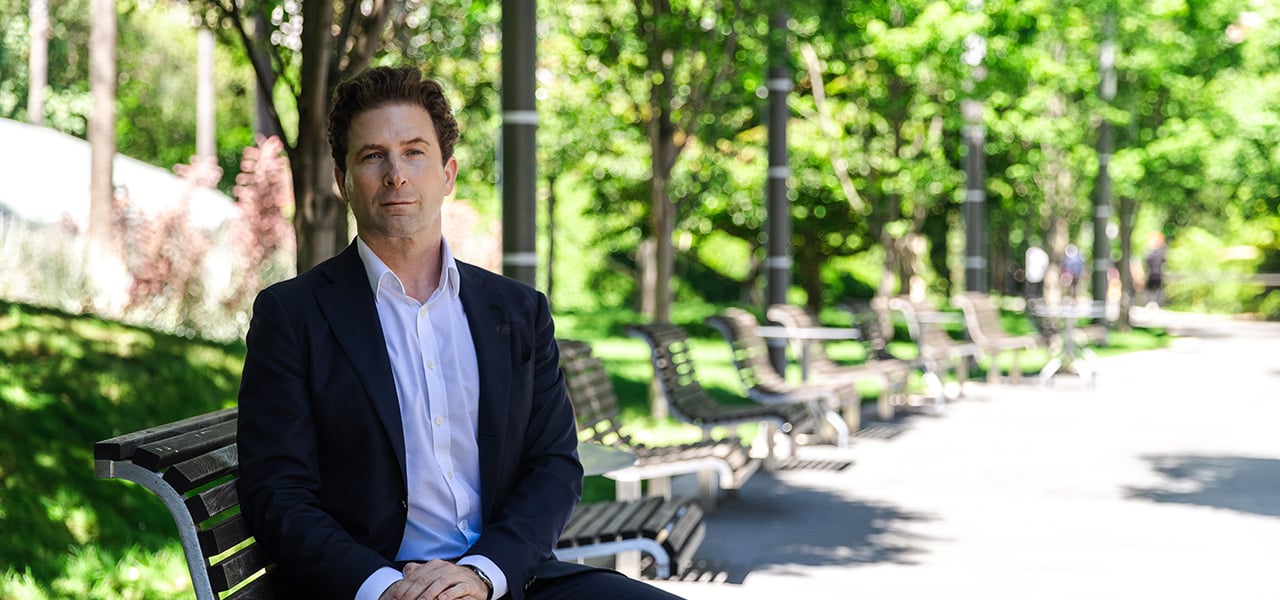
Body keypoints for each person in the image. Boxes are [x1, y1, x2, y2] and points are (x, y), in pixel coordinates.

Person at [236, 65, 684, 600]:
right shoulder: (293, 314)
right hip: (370, 584)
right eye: (372, 155)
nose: (395, 174)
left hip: (500, 577)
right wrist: (383, 586)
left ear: (447, 174)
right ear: (342, 179)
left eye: (414, 152)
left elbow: (555, 466)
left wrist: (484, 573)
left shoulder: (519, 312)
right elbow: (278, 492)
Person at [1144, 231, 1167, 307]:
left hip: (1156, 274)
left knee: (1155, 289)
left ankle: (1154, 302)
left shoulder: (1156, 252)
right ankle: (1153, 302)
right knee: (1153, 289)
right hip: (1153, 274)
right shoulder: (1159, 252)